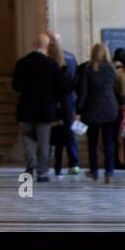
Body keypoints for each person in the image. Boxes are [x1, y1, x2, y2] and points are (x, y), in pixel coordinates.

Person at [12, 33, 61, 181]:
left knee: (26, 136)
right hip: (45, 109)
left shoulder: (22, 63)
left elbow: (16, 86)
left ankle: (31, 160)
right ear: (47, 46)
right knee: (44, 141)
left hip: (26, 107)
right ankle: (42, 172)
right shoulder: (52, 64)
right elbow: (58, 89)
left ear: (34, 45)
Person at [75, 42, 121, 182]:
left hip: (92, 109)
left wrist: (78, 110)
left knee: (92, 143)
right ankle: (109, 173)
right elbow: (117, 90)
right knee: (109, 143)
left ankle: (94, 171)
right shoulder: (112, 69)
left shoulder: (88, 69)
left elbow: (83, 93)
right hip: (110, 109)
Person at [48, 34, 81, 176]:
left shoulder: (49, 60)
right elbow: (77, 79)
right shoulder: (71, 57)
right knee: (70, 133)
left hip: (53, 100)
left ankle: (55, 165)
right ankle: (74, 163)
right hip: (69, 100)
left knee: (52, 133)